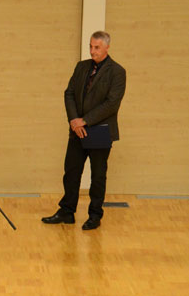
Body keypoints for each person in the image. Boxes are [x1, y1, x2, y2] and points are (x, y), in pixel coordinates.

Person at [42, 30, 126, 230]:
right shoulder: (81, 67)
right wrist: (73, 120)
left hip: (99, 130)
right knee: (71, 171)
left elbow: (112, 104)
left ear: (107, 47)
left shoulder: (117, 71)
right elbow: (69, 93)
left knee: (97, 175)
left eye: (97, 47)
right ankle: (66, 211)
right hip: (77, 130)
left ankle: (95, 215)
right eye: (90, 46)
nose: (92, 50)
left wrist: (85, 121)